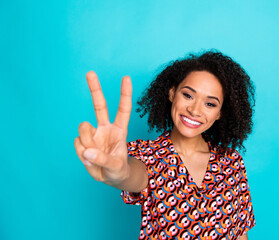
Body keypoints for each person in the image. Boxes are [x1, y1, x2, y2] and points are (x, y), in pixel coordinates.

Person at [74, 51, 256, 240]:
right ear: (172, 93)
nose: (194, 110)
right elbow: (131, 174)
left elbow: (240, 233)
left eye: (210, 104)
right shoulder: (147, 155)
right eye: (188, 95)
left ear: (220, 113)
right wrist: (119, 172)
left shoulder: (232, 163)